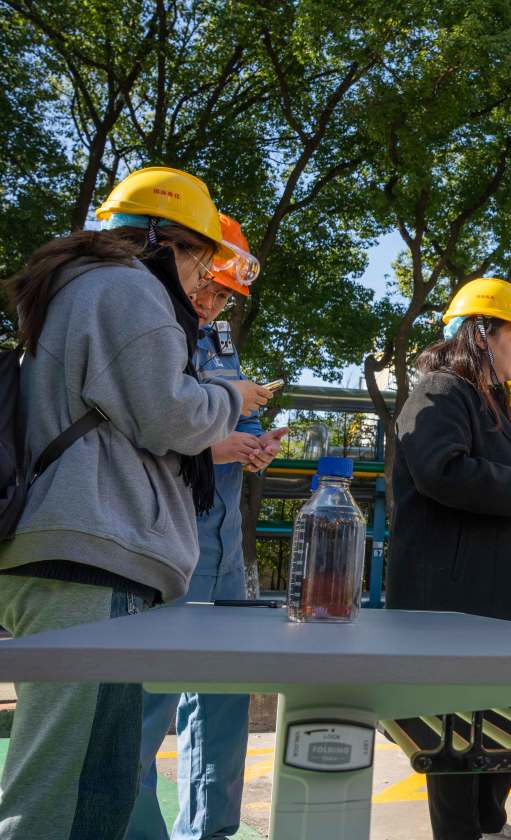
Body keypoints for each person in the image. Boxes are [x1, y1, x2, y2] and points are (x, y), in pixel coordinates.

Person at [0, 166, 268, 840]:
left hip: (73, 560)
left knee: (91, 779)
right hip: (90, 560)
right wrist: (233, 397)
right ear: (166, 241)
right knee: (68, 793)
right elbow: (170, 416)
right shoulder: (126, 288)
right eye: (204, 261)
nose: (206, 282)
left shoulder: (84, 289)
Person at [387, 277, 511, 840]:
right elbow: (442, 471)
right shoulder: (441, 392)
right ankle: (463, 832)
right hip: (457, 602)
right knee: (455, 730)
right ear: (482, 335)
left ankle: (491, 824)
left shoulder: (496, 405)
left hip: (505, 595)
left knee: (506, 722)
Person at [127, 215, 285, 840]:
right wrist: (217, 447)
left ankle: (211, 831)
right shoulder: (146, 332)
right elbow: (139, 433)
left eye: (224, 294)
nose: (214, 300)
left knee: (222, 704)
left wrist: (251, 445)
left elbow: (215, 428)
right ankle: (137, 831)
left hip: (218, 548)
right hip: (162, 540)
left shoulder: (215, 340)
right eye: (210, 286)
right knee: (145, 705)